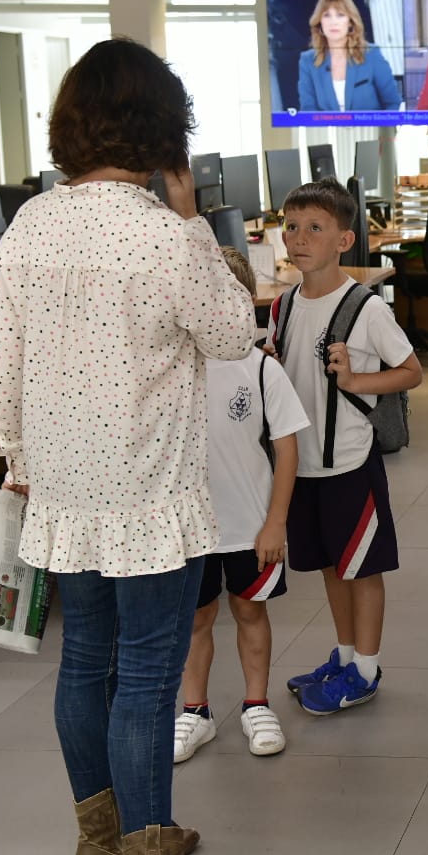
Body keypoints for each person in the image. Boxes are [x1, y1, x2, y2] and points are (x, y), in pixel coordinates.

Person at [0, 38, 258, 855]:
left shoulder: (29, 223)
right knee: (144, 678)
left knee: (84, 662)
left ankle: (104, 846)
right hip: (147, 494)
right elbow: (234, 335)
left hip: (61, 489)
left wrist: (21, 459)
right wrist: (195, 224)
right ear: (164, 132)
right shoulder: (164, 238)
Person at [273, 180, 424, 715]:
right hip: (302, 466)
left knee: (361, 568)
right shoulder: (284, 305)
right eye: (291, 226)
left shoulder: (365, 308)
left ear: (344, 240)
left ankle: (366, 667)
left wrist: (358, 382)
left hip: (350, 464)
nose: (299, 238)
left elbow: (411, 372)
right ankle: (343, 655)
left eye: (315, 227)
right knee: (332, 567)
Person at [174, 248, 311, 765]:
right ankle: (196, 713)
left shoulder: (260, 369)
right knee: (196, 619)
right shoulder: (171, 368)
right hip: (189, 528)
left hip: (251, 526)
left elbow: (287, 447)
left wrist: (276, 522)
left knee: (250, 611)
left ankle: (256, 704)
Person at [295, 0, 401, 112]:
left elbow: (393, 103)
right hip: (328, 131)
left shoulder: (371, 54)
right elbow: (308, 111)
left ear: (350, 22)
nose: (333, 22)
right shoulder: (307, 61)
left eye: (340, 15)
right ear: (320, 22)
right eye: (327, 15)